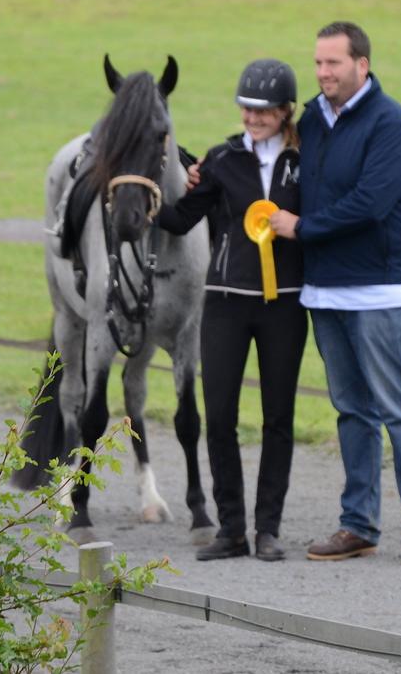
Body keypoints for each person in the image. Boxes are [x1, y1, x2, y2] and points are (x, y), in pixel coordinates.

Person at [269, 22, 401, 566]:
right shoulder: (313, 123)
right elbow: (270, 162)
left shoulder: (391, 124)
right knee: (352, 412)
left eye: (335, 64)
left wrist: (300, 228)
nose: (324, 73)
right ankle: (358, 524)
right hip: (326, 294)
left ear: (362, 65)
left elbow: (370, 204)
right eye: (319, 64)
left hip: (380, 293)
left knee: (400, 411)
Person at [157, 59, 307, 562]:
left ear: (286, 112)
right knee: (220, 416)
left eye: (264, 110)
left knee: (277, 418)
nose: (253, 117)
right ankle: (231, 529)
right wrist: (146, 190)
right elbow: (181, 220)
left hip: (284, 306)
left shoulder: (305, 162)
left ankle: (268, 529)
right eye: (247, 108)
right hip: (223, 305)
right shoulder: (221, 159)